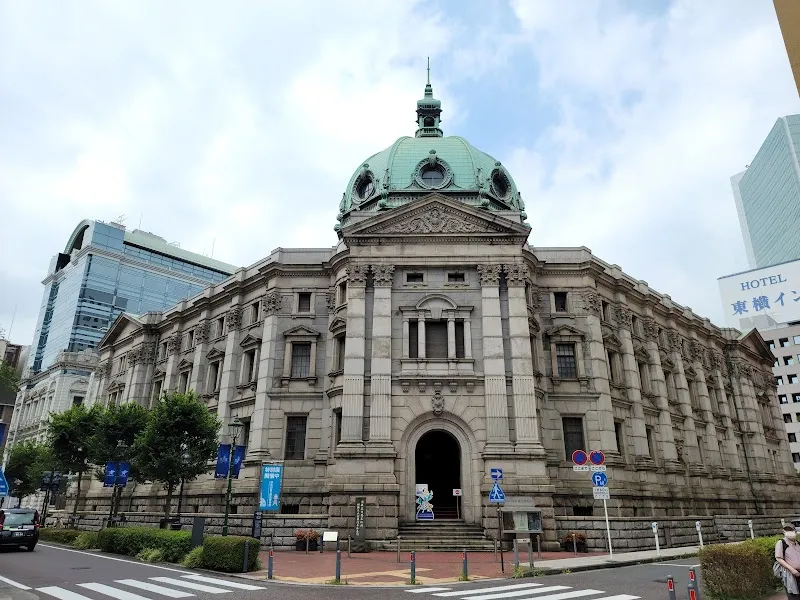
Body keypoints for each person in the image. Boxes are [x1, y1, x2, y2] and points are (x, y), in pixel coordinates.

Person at [776, 525, 800, 599]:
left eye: (791, 530)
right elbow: (778, 558)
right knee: (794, 596)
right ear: (783, 532)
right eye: (787, 530)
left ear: (795, 531)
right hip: (790, 574)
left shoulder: (798, 543)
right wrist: (792, 570)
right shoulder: (781, 543)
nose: (789, 532)